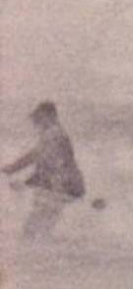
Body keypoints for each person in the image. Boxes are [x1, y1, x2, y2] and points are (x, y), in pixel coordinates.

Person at [4, 101, 86, 240]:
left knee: (32, 231)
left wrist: (22, 180)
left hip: (59, 188)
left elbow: (42, 160)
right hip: (61, 187)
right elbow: (37, 156)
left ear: (50, 116)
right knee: (41, 229)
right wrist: (13, 168)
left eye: (39, 118)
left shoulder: (53, 134)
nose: (36, 122)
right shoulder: (53, 133)